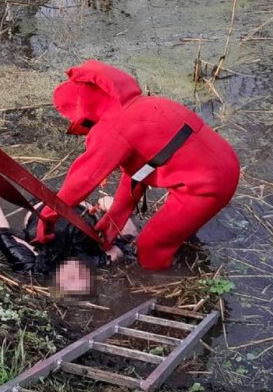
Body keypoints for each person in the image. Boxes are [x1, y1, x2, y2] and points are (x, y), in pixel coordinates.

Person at [36, 61, 240, 270]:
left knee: (150, 246)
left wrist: (48, 216)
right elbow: (142, 170)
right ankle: (182, 244)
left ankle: (164, 280)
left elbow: (82, 179)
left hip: (205, 188)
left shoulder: (114, 127)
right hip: (224, 165)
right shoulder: (148, 105)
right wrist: (116, 217)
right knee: (172, 231)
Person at [0, 195, 137, 295]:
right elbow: (127, 239)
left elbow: (1, 234)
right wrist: (110, 204)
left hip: (44, 202)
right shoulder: (94, 260)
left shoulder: (32, 265)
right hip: (79, 204)